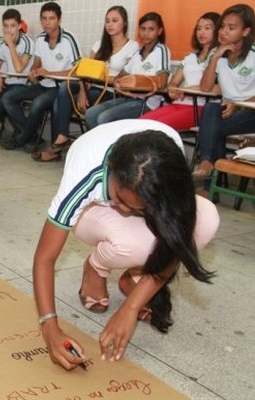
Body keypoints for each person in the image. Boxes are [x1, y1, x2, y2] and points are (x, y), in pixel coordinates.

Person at [32, 119, 219, 371]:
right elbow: (45, 258)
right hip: (93, 212)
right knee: (129, 242)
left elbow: (176, 239)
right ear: (110, 171)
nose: (125, 210)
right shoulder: (87, 172)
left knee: (206, 220)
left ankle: (133, 276)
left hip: (150, 203)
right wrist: (50, 328)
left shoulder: (169, 159)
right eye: (119, 198)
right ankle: (95, 267)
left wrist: (130, 309)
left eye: (136, 207)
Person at [33, 5, 139, 162]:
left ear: (124, 23)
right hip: (92, 86)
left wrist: (102, 79)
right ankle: (62, 136)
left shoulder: (133, 47)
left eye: (114, 21)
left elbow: (123, 80)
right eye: (107, 21)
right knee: (65, 87)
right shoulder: (99, 45)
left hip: (112, 92)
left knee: (58, 103)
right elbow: (86, 72)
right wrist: (82, 91)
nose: (110, 24)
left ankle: (60, 146)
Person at [1, 1, 81, 152]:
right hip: (43, 84)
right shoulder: (40, 38)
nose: (47, 22)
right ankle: (32, 136)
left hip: (60, 88)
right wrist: (34, 71)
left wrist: (49, 74)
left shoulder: (69, 39)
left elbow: (78, 71)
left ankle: (21, 139)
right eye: (44, 18)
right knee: (8, 97)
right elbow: (37, 63)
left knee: (37, 103)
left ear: (59, 19)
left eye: (51, 18)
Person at [193, 4, 255, 177]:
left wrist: (238, 104)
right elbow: (205, 87)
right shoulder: (218, 53)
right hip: (228, 111)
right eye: (222, 26)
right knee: (212, 109)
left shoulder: (253, 55)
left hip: (251, 112)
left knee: (213, 126)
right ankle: (210, 169)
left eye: (231, 28)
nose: (223, 31)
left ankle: (206, 165)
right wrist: (215, 58)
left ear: (245, 32)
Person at [84, 12, 171, 130]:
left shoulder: (162, 50)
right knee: (91, 114)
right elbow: (121, 76)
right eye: (143, 29)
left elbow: (162, 82)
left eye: (151, 29)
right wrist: (119, 81)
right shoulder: (137, 53)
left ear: (159, 31)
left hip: (146, 103)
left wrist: (136, 82)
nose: (146, 33)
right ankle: (99, 147)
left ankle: (112, 148)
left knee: (104, 118)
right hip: (128, 98)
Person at [140, 12, 221, 131]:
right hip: (180, 102)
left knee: (158, 127)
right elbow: (173, 82)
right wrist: (172, 89)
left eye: (207, 28)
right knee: (141, 122)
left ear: (219, 31)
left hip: (202, 107)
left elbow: (219, 88)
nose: (201, 32)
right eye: (198, 28)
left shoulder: (220, 56)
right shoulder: (190, 57)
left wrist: (187, 90)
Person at [0, 9, 34, 132]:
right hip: (7, 85)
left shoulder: (28, 42)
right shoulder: (3, 44)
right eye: (6, 26)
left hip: (23, 86)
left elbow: (19, 69)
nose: (9, 30)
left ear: (19, 26)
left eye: (13, 26)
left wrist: (11, 45)